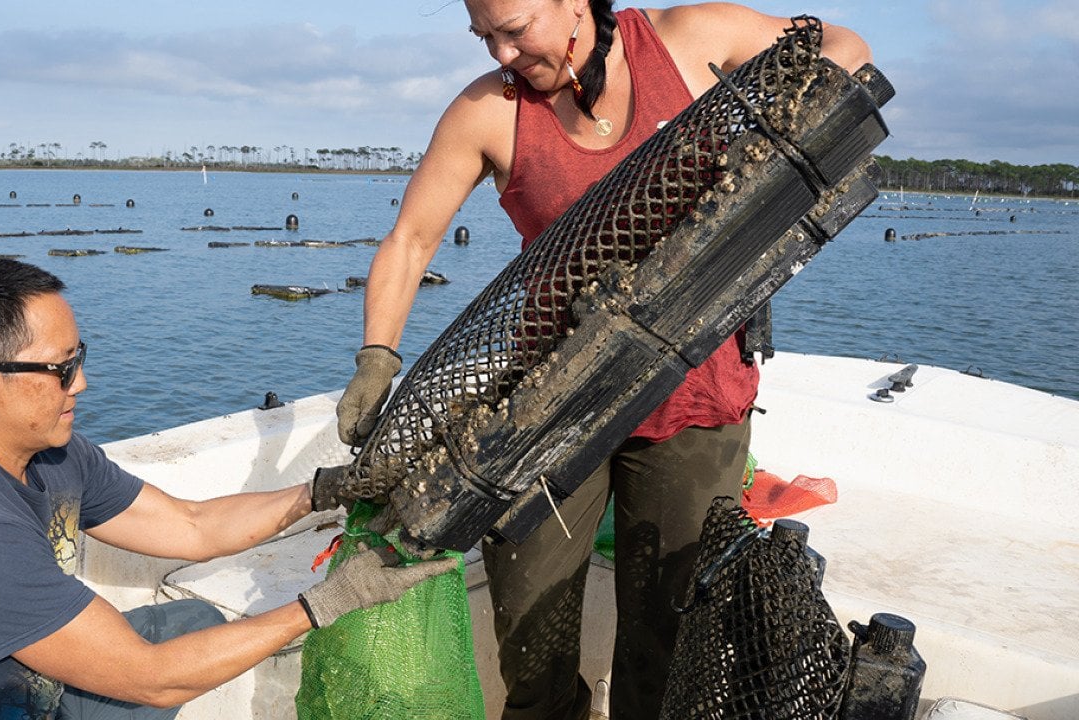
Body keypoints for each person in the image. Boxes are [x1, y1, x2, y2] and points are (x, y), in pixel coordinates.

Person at [335, 2, 871, 718]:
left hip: (694, 394)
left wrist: (797, 110)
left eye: (515, 29)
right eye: (483, 36)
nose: (500, 53)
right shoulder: (488, 111)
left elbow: (844, 42)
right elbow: (409, 241)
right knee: (531, 637)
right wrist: (377, 357)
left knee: (671, 635)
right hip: (549, 407)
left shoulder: (685, 41)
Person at [0, 257, 456, 720]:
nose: (83, 383)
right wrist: (328, 602)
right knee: (162, 658)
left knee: (191, 621)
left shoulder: (53, 454)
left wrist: (327, 490)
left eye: (81, 358)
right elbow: (150, 677)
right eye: (61, 369)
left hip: (39, 692)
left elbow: (190, 526)